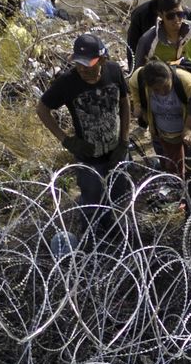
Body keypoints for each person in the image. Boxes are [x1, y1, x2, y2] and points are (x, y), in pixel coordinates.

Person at [36, 33, 131, 241]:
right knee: (91, 199)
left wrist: (124, 141)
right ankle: (92, 237)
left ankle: (113, 233)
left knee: (117, 196)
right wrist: (66, 140)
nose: (84, 70)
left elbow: (124, 103)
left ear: (103, 59)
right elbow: (42, 108)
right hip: (89, 156)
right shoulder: (68, 82)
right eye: (79, 65)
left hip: (117, 150)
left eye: (89, 65)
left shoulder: (114, 71)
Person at [128, 59, 191, 174]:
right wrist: (137, 104)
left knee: (190, 165)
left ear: (170, 76)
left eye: (166, 87)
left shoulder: (186, 81)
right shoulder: (140, 76)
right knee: (171, 164)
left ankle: (188, 184)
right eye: (156, 90)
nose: (162, 93)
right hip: (162, 132)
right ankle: (174, 180)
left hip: (187, 133)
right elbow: (132, 83)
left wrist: (190, 130)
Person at [133, 0, 191, 77]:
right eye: (170, 16)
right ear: (161, 15)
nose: (176, 20)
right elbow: (139, 75)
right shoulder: (148, 40)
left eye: (180, 14)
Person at [126, 0, 186, 68]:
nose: (176, 18)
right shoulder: (140, 15)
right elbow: (132, 49)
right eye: (170, 16)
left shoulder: (186, 14)